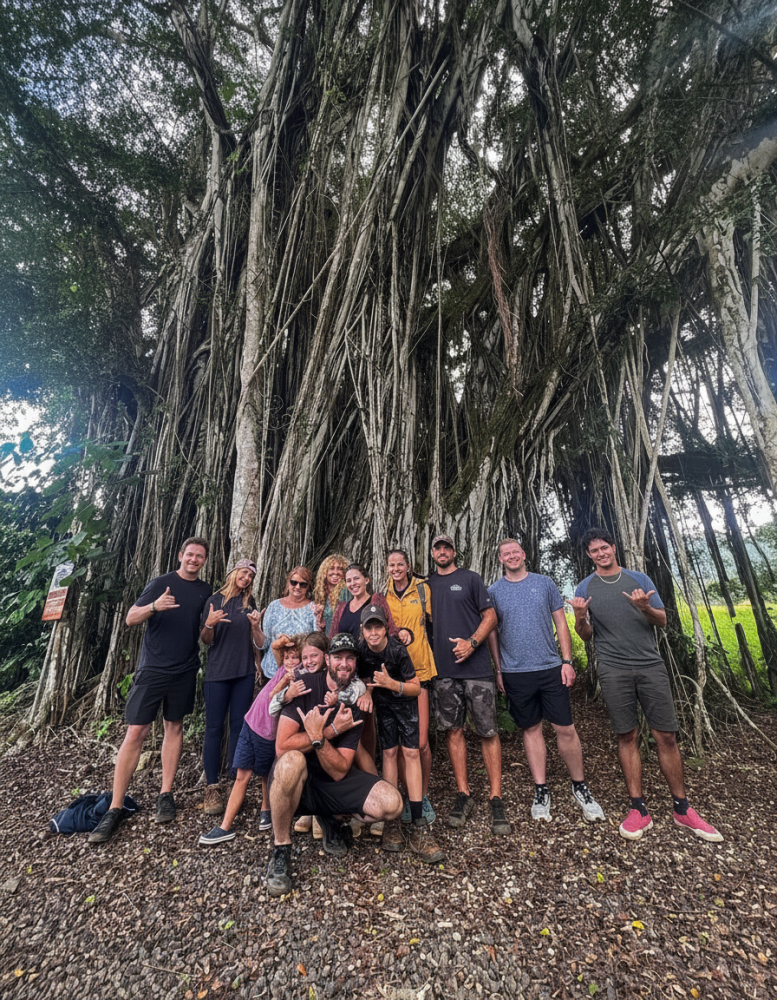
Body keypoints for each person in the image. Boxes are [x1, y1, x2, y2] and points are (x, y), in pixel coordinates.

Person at [569, 527, 723, 842]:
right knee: (627, 735)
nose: (601, 554)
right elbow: (586, 636)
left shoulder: (640, 579)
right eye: (594, 551)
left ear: (613, 547)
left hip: (650, 665)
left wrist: (644, 609)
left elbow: (662, 620)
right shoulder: (585, 587)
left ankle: (683, 808)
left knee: (665, 736)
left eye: (604, 548)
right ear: (589, 555)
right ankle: (638, 809)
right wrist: (580, 617)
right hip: (613, 670)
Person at [89, 537, 212, 844]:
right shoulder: (160, 583)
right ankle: (115, 806)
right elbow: (131, 618)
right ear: (180, 555)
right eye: (190, 555)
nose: (194, 560)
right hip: (153, 669)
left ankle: (165, 793)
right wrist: (155, 606)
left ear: (205, 561)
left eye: (200, 557)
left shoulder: (205, 591)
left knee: (175, 726)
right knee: (136, 732)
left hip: (184, 669)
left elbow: (202, 633)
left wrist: (208, 626)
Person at [265, 633, 403, 897]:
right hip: (297, 779)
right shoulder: (303, 685)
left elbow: (340, 770)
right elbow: (282, 746)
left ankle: (329, 819)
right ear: (327, 659)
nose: (344, 664)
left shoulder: (353, 702)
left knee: (392, 803)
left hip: (330, 779)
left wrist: (319, 738)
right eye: (338, 657)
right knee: (291, 760)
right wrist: (327, 733)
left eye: (350, 658)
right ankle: (281, 849)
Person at [486, 539, 605, 823]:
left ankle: (580, 785)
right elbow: (492, 634)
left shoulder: (544, 583)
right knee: (531, 729)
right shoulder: (493, 591)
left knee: (565, 728)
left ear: (524, 554)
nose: (512, 556)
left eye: (516, 551)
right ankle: (541, 789)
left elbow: (561, 622)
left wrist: (567, 661)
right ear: (501, 559)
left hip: (551, 667)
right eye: (506, 554)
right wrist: (499, 671)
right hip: (515, 672)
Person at [426, 534, 509, 836]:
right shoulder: (426, 586)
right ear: (432, 553)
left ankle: (495, 797)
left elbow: (490, 616)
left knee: (487, 730)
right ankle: (464, 793)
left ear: (454, 551)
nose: (443, 551)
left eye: (447, 547)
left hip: (476, 669)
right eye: (438, 548)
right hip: (443, 672)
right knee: (453, 730)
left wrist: (472, 643)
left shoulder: (471, 579)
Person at [198, 634, 304, 845]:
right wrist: (285, 644)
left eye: (296, 658)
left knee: (265, 774)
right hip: (250, 723)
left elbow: (275, 695)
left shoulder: (300, 680)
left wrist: (287, 680)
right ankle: (224, 826)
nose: (291, 661)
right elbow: (274, 647)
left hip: (268, 733)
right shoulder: (282, 668)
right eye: (288, 657)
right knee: (241, 775)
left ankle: (266, 810)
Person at [358, 604, 443, 862]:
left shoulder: (397, 650)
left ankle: (418, 824)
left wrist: (391, 684)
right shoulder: (361, 651)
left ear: (386, 628)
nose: (374, 633)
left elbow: (417, 689)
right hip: (384, 707)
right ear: (362, 631)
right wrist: (369, 692)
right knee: (389, 753)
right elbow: (363, 679)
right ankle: (393, 820)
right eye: (368, 627)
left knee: (411, 752)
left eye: (378, 626)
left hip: (405, 704)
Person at [199, 558, 264, 816]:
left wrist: (256, 627)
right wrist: (209, 623)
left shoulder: (250, 604)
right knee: (214, 727)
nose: (246, 579)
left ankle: (236, 779)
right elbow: (206, 640)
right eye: (243, 573)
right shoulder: (214, 600)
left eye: (250, 576)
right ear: (233, 572)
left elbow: (257, 641)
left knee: (239, 725)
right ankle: (212, 785)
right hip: (217, 673)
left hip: (244, 672)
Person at [384, 548, 437, 823]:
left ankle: (422, 795)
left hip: (421, 669)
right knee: (396, 743)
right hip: (393, 675)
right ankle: (404, 795)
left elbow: (437, 622)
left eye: (400, 564)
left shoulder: (424, 590)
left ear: (408, 566)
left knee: (420, 742)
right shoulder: (383, 595)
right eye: (391, 564)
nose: (396, 568)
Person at [256, 566, 317, 680]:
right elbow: (264, 644)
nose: (297, 587)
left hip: (301, 674)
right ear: (288, 582)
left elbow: (316, 642)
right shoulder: (274, 607)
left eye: (303, 584)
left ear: (308, 587)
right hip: (272, 674)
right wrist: (255, 627)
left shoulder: (313, 609)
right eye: (293, 582)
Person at [330, 563, 407, 643]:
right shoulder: (341, 608)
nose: (352, 583)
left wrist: (402, 633)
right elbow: (332, 639)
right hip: (347, 655)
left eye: (356, 578)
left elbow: (390, 628)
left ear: (366, 580)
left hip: (370, 654)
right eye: (348, 581)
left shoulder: (376, 600)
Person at [313, 554, 349, 636]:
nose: (335, 572)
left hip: (341, 640)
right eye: (331, 568)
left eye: (339, 569)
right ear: (324, 572)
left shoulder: (345, 592)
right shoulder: (322, 595)